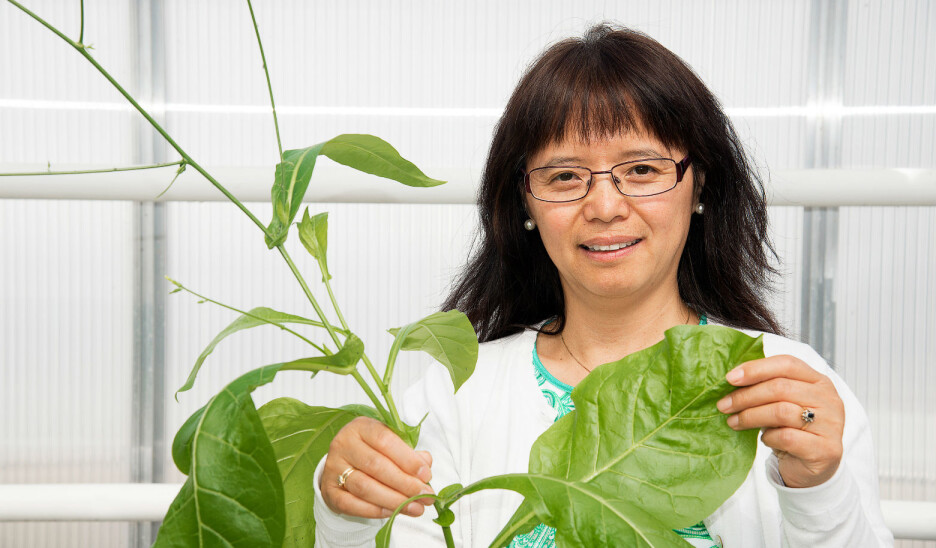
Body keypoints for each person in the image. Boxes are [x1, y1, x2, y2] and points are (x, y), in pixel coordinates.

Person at [313, 25, 894, 547]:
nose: (606, 206)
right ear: (525, 204)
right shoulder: (454, 393)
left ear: (700, 188)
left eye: (642, 169)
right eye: (565, 176)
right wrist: (349, 517)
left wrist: (818, 485)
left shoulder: (786, 386)